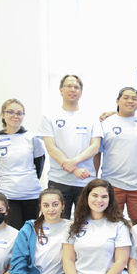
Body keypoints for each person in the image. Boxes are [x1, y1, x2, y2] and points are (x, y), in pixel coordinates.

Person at [39, 74, 103, 219]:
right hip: (58, 181)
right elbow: (51, 148)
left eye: (76, 87)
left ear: (81, 92)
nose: (72, 89)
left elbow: (95, 147)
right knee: (57, 223)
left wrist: (73, 163)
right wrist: (74, 169)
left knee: (85, 224)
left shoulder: (91, 117)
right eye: (68, 86)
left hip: (85, 180)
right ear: (61, 90)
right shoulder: (49, 116)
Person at [0, 98, 45, 229]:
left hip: (31, 195)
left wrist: (27, 181)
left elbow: (39, 164)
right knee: (14, 232)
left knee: (30, 232)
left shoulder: (32, 138)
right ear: (3, 115)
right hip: (8, 195)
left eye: (19, 113)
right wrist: (5, 184)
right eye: (10, 112)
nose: (15, 116)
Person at [100, 87, 137, 224]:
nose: (130, 101)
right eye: (126, 97)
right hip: (112, 184)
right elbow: (97, 152)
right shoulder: (105, 123)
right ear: (117, 101)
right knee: (111, 223)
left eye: (134, 98)